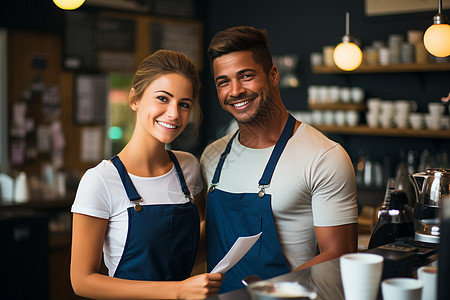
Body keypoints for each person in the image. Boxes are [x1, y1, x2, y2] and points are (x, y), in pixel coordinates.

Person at [200, 26, 358, 293]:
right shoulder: (212, 156)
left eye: (246, 76)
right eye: (223, 82)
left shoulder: (324, 157)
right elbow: (208, 238)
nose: (235, 91)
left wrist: (271, 295)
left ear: (273, 75)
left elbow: (338, 254)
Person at [70, 49, 224, 299]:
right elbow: (82, 281)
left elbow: (194, 243)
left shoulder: (189, 168)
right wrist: (178, 290)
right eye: (163, 98)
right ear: (135, 99)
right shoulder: (100, 180)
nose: (174, 113)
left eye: (184, 104)